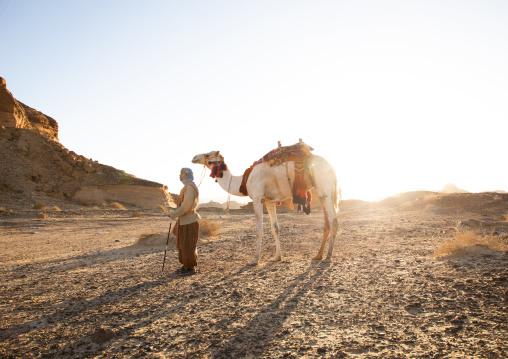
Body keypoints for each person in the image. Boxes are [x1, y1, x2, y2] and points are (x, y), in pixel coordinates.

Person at [169, 168, 200, 274]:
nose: (180, 176)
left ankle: (190, 267)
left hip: (189, 221)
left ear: (187, 175)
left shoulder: (190, 188)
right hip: (184, 220)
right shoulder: (188, 187)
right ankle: (185, 265)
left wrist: (174, 214)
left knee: (188, 245)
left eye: (182, 174)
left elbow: (185, 207)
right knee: (183, 244)